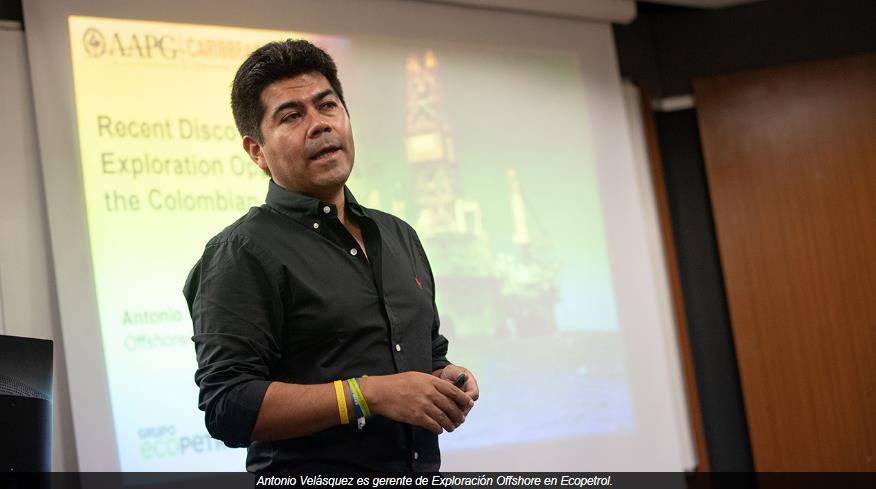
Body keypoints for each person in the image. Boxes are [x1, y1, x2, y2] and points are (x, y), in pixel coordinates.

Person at [183, 39, 479, 473]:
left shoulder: (398, 235)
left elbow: (426, 350)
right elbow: (228, 406)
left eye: (327, 106)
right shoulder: (240, 253)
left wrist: (444, 375)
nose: (319, 125)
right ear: (256, 151)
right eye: (291, 116)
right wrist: (369, 394)